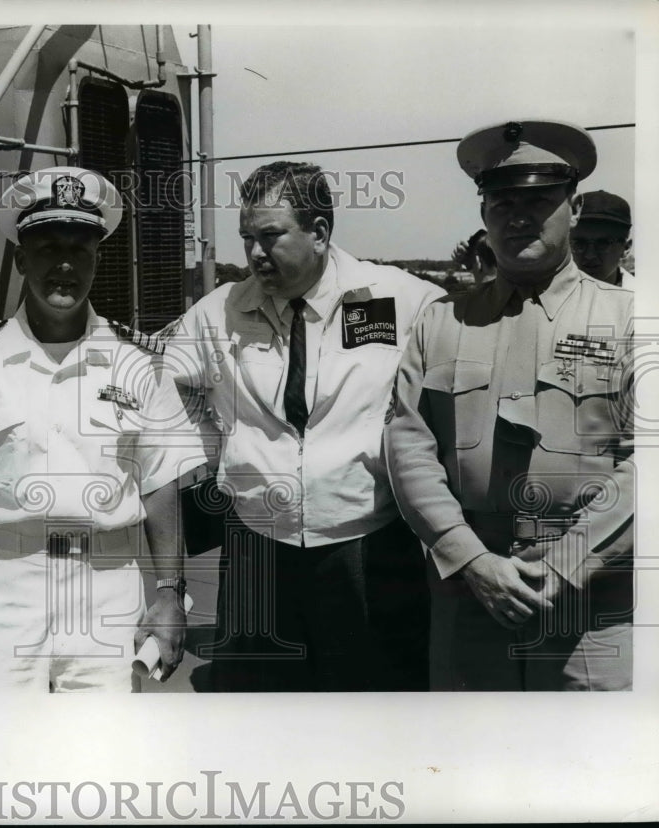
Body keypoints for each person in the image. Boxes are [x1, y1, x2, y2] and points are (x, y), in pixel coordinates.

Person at [0, 166, 205, 692]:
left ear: (99, 256)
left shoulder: (138, 362)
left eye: (80, 248)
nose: (64, 264)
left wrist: (169, 595)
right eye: (47, 248)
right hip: (5, 583)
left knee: (103, 758)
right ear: (22, 258)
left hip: (107, 589)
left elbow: (162, 487)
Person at [167, 161, 444, 691]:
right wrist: (214, 439)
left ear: (319, 232)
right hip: (256, 545)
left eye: (269, 236)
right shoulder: (216, 312)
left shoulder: (403, 300)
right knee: (257, 701)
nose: (253, 253)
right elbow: (161, 386)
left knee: (370, 700)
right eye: (247, 237)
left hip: (365, 540)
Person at [384, 120, 634, 691]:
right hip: (472, 594)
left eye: (539, 200)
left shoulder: (631, 321)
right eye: (502, 202)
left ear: (573, 208)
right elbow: (408, 449)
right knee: (475, 763)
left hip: (591, 603)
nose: (518, 216)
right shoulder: (442, 322)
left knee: (591, 769)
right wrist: (471, 561)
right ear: (483, 213)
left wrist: (568, 562)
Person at [570, 189, 634, 287]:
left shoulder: (647, 299)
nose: (589, 255)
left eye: (603, 244)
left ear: (626, 248)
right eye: (580, 243)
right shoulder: (548, 296)